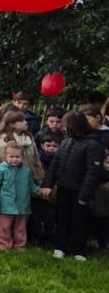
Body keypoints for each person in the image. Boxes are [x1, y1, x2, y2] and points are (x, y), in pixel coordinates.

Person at [42, 108, 105, 261]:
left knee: (80, 220)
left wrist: (85, 194)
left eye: (66, 124)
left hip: (80, 189)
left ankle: (79, 251)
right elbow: (55, 164)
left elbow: (92, 172)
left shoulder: (93, 145)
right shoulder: (66, 141)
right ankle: (59, 247)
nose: (63, 127)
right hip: (64, 187)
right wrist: (48, 184)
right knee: (62, 218)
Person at [0, 143, 44, 250]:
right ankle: (3, 244)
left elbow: (30, 184)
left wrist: (39, 191)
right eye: (11, 157)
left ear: (22, 157)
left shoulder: (25, 171)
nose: (15, 159)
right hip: (5, 204)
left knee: (20, 227)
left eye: (18, 157)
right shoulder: (0, 170)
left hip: (22, 204)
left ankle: (19, 244)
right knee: (4, 226)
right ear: (5, 156)